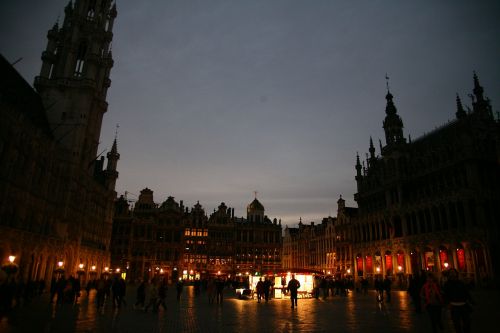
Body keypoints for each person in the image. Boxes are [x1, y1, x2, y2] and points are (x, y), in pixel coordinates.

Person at [443, 268, 473, 333]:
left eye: (453, 272)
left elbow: (466, 292)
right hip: (454, 306)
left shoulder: (461, 282)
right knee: (456, 323)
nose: (452, 274)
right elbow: (445, 295)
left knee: (467, 322)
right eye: (451, 273)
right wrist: (447, 304)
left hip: (463, 305)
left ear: (456, 274)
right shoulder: (447, 284)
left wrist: (471, 301)